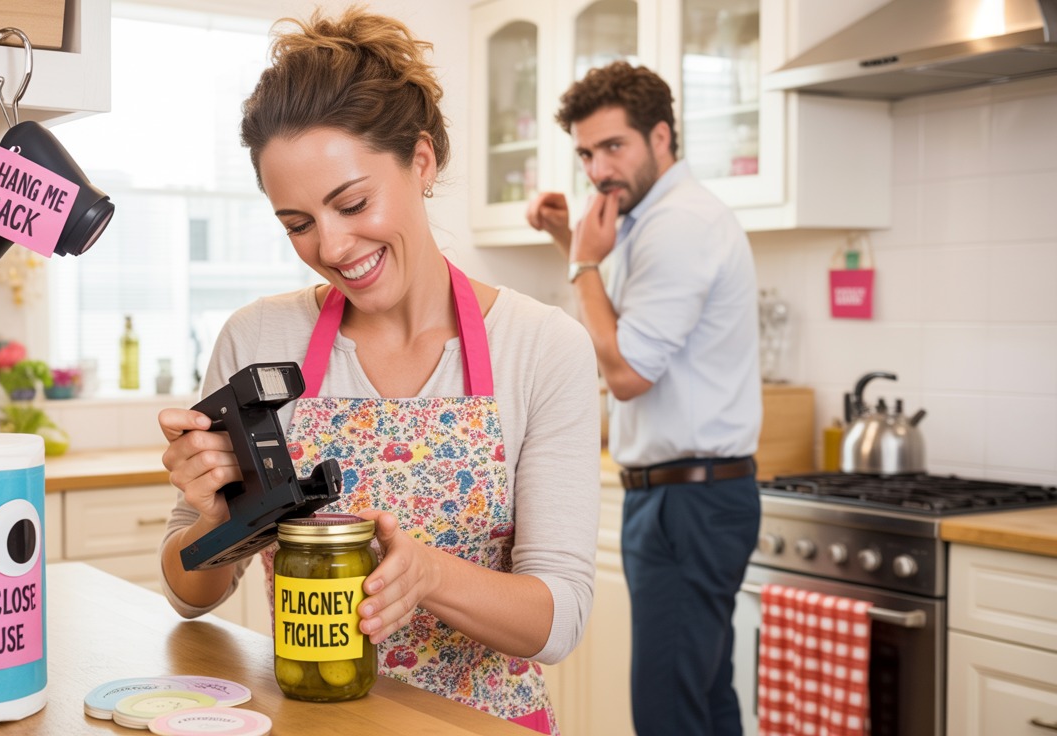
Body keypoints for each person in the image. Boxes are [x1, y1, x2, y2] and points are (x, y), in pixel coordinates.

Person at [156, 8, 599, 734]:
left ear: (420, 161)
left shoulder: (543, 346)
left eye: (352, 202)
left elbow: (558, 619)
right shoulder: (259, 337)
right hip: (309, 722)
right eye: (296, 223)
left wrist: (428, 576)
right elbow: (187, 592)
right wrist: (215, 516)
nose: (330, 245)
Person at [525, 62, 762, 736]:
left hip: (689, 502)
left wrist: (582, 262)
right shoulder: (649, 219)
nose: (598, 169)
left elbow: (626, 370)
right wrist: (572, 242)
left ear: (662, 137)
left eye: (613, 147)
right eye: (585, 153)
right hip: (685, 497)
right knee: (704, 701)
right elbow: (630, 327)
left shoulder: (678, 224)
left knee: (666, 713)